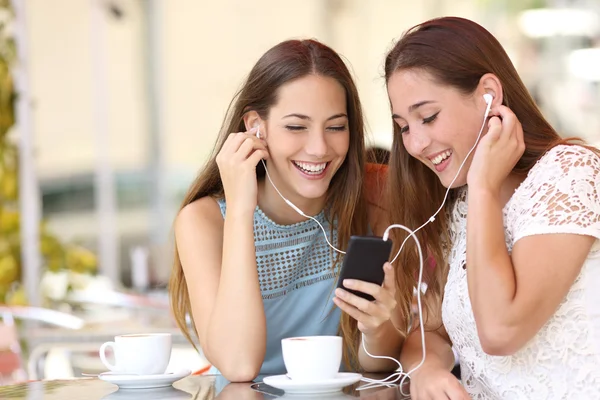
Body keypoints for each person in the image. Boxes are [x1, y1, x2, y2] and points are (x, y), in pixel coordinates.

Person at [382, 17, 600, 399]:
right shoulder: (458, 207)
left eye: (428, 116)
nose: (415, 144)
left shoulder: (570, 172)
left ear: (489, 94)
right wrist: (428, 368)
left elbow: (502, 331)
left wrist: (484, 186)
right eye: (403, 126)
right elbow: (431, 329)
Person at [169, 39, 401, 382]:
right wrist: (240, 210)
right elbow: (239, 365)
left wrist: (377, 326)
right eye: (296, 126)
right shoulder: (203, 221)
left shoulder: (372, 200)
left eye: (336, 126)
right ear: (254, 126)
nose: (319, 148)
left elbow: (377, 363)